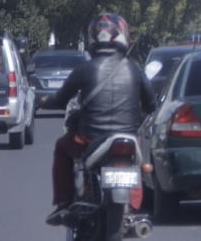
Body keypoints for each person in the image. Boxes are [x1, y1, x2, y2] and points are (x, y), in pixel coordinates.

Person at [44, 13, 156, 226]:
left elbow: (60, 101)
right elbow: (151, 105)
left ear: (93, 38)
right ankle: (132, 208)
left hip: (89, 140)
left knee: (62, 146)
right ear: (123, 35)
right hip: (128, 138)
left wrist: (43, 102)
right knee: (137, 158)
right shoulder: (135, 69)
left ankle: (64, 203)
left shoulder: (84, 69)